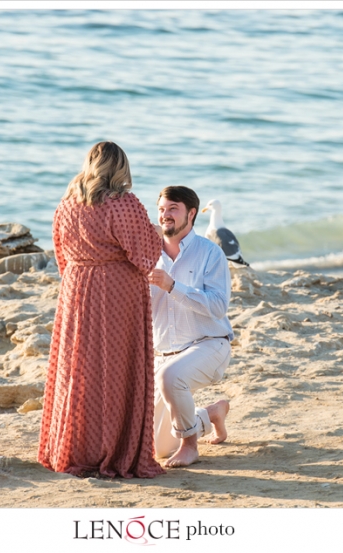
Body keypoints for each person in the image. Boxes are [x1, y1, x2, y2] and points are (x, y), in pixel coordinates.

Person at [38, 141, 165, 479]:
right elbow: (145, 256)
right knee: (116, 367)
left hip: (76, 287)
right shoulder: (123, 203)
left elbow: (61, 253)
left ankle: (75, 446)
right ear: (120, 167)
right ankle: (114, 448)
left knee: (78, 367)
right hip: (117, 289)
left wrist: (81, 273)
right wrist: (155, 233)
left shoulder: (68, 202)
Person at [147, 186, 234, 468]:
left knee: (171, 377)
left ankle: (190, 446)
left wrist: (173, 286)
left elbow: (218, 306)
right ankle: (211, 414)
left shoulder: (210, 253)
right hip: (164, 356)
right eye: (161, 209)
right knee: (160, 448)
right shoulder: (147, 254)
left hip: (209, 344)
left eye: (173, 209)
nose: (165, 215)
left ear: (192, 213)